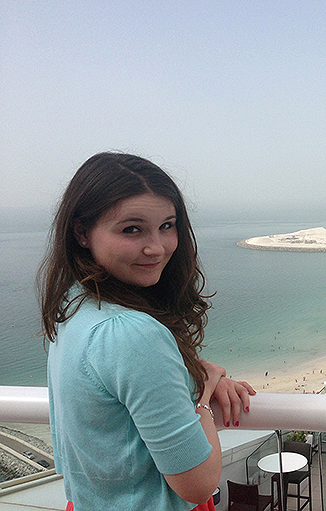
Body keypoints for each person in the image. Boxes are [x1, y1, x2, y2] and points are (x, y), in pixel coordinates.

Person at [40, 152, 256, 510]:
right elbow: (198, 484)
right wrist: (203, 394)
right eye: (132, 229)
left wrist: (185, 373)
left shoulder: (73, 307)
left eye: (167, 226)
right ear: (81, 232)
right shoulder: (130, 333)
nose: (156, 247)